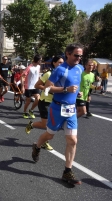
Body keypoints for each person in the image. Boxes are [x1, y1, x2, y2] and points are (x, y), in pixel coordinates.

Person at [32, 43, 84, 185]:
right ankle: (37, 146)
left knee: (73, 140)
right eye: (76, 55)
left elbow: (76, 84)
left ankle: (67, 171)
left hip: (71, 109)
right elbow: (48, 88)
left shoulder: (80, 68)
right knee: (49, 135)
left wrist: (77, 93)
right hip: (57, 108)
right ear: (67, 54)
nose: (79, 58)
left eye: (80, 56)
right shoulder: (60, 70)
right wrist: (66, 89)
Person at [25, 56, 64, 150]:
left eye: (62, 62)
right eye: (59, 62)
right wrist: (48, 88)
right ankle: (33, 126)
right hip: (45, 102)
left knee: (52, 125)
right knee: (45, 124)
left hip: (57, 102)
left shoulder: (63, 75)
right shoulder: (48, 74)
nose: (61, 64)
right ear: (54, 63)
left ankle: (44, 141)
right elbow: (37, 85)